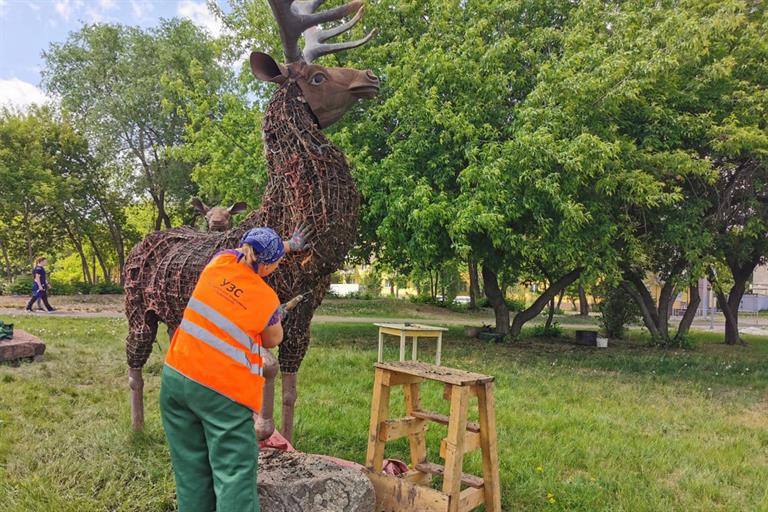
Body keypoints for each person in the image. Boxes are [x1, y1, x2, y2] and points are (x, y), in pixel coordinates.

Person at [160, 225, 310, 512]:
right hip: (221, 393)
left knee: (192, 473)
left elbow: (250, 253)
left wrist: (288, 245)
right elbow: (273, 338)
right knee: (234, 476)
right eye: (277, 262)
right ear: (268, 265)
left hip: (176, 379)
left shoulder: (219, 262)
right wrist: (277, 313)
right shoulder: (265, 298)